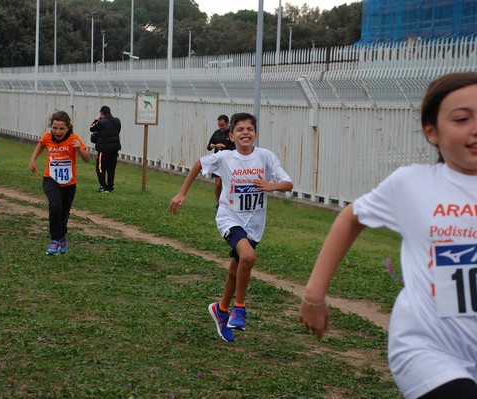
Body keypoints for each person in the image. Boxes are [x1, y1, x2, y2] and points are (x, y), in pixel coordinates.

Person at [299, 72, 477, 399]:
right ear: (432, 132)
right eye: (462, 119)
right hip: (428, 350)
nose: (475, 128)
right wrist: (314, 294)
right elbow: (352, 217)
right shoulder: (412, 184)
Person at [170, 112, 293, 342]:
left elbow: (288, 183)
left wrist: (271, 186)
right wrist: (182, 192)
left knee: (236, 269)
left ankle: (221, 310)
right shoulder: (225, 157)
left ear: (255, 134)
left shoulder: (266, 157)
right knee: (248, 256)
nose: (245, 132)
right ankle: (240, 307)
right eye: (240, 130)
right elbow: (199, 163)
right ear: (232, 135)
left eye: (249, 129)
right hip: (229, 217)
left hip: (255, 224)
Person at [30, 110, 91, 256]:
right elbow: (41, 144)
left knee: (64, 212)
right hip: (50, 179)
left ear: (68, 127)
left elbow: (88, 159)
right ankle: (54, 240)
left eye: (62, 129)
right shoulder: (47, 137)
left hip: (69, 183)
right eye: (55, 128)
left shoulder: (74, 139)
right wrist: (33, 159)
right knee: (55, 206)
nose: (58, 131)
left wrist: (79, 149)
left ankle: (62, 236)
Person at [89, 105, 121, 193]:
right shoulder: (117, 121)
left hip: (103, 149)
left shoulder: (102, 122)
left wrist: (96, 119)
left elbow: (91, 128)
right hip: (114, 149)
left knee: (100, 168)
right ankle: (110, 187)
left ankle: (103, 186)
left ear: (102, 113)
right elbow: (118, 131)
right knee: (111, 168)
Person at [207, 114, 235, 209]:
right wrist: (215, 146)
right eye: (219, 125)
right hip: (218, 162)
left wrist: (225, 147)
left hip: (230, 163)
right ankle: (218, 204)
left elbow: (236, 148)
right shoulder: (216, 133)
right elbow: (209, 146)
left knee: (229, 185)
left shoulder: (233, 133)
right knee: (218, 184)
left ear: (227, 123)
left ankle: (230, 203)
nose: (220, 127)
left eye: (222, 125)